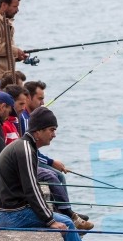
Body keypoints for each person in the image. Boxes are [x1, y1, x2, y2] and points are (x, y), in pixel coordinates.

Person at [0, 106, 118, 241]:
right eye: (51, 130)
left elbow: (29, 188)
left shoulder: (25, 146)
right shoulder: (25, 149)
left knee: (64, 219)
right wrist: (49, 220)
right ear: (38, 131)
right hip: (11, 214)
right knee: (65, 223)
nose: (54, 135)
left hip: (8, 210)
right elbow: (32, 188)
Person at [21, 81, 92, 229]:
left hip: (32, 158)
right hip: (26, 162)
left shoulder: (29, 117)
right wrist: (52, 162)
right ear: (29, 98)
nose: (43, 102)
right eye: (39, 99)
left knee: (58, 175)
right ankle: (67, 214)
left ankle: (66, 211)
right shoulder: (24, 119)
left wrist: (51, 161)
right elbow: (28, 150)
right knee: (56, 176)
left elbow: (33, 150)